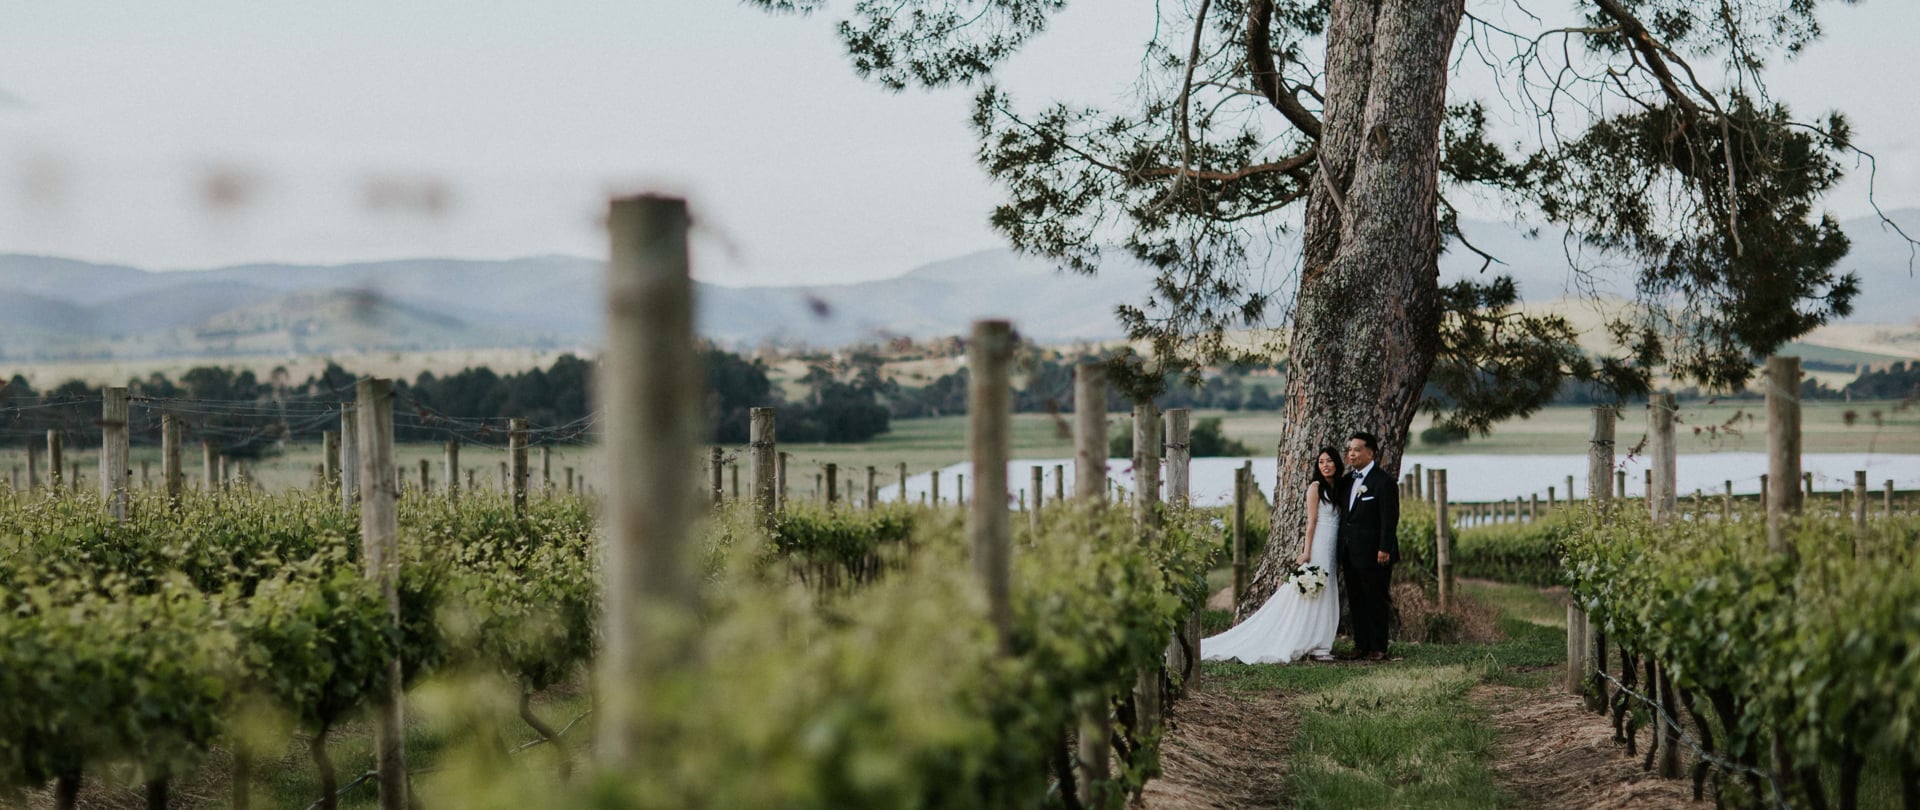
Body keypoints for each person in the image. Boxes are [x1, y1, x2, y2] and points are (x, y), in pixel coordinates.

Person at [1199, 447, 1346, 665]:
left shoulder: (1339, 488)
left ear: (1336, 463)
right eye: (1321, 462)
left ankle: (1322, 642)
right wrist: (1306, 552)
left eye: (1329, 461)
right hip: (1319, 544)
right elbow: (1311, 523)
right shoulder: (1315, 488)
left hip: (1333, 544)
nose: (1325, 465)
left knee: (1328, 588)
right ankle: (1309, 640)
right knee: (1314, 589)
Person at [1338, 431, 1399, 661]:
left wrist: (1384, 548)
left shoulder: (1383, 482)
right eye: (1350, 449)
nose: (1351, 453)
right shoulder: (1347, 481)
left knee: (1376, 599)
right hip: (1350, 552)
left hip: (1375, 553)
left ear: (1370, 453)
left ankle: (1379, 647)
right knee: (1356, 599)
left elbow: (1389, 519)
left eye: (1356, 449)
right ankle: (1361, 644)